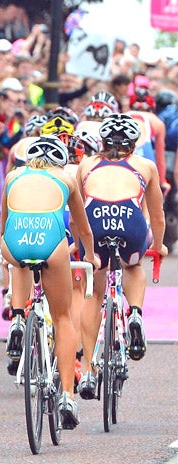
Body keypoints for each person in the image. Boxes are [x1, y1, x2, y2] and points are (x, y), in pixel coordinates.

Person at [0, 136, 97, 429]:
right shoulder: (66, 179)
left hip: (16, 242)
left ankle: (18, 315)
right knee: (63, 317)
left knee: (19, 259)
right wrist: (91, 257)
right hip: (52, 243)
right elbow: (82, 227)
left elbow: (5, 222)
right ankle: (67, 394)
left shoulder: (12, 176)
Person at [76, 113, 167, 374]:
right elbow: (157, 216)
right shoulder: (145, 165)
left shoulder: (87, 165)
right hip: (130, 221)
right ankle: (135, 312)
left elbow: (80, 212)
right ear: (134, 144)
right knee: (133, 267)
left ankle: (89, 368)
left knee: (93, 290)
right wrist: (158, 247)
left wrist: (81, 246)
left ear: (102, 142)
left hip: (94, 221)